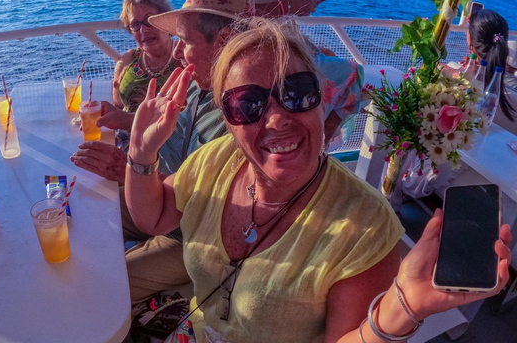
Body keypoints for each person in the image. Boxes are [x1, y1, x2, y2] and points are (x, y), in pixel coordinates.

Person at [125, 19, 511, 343]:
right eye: (248, 104)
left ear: (324, 97)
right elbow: (153, 215)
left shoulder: (363, 224)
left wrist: (403, 305)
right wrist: (142, 155)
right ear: (228, 118)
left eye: (297, 92)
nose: (276, 119)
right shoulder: (216, 159)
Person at [72, 0, 363, 304]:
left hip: (191, 234)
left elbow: (212, 202)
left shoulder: (250, 119)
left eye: (184, 41)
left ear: (224, 40)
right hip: (161, 199)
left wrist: (134, 167)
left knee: (101, 286)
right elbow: (174, 141)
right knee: (79, 217)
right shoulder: (197, 86)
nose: (178, 53)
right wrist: (132, 130)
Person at [113, 0, 178, 112]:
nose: (143, 30)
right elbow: (117, 107)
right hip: (125, 132)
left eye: (149, 20)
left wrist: (123, 120)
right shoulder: (127, 61)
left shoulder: (184, 57)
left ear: (164, 20)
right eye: (135, 24)